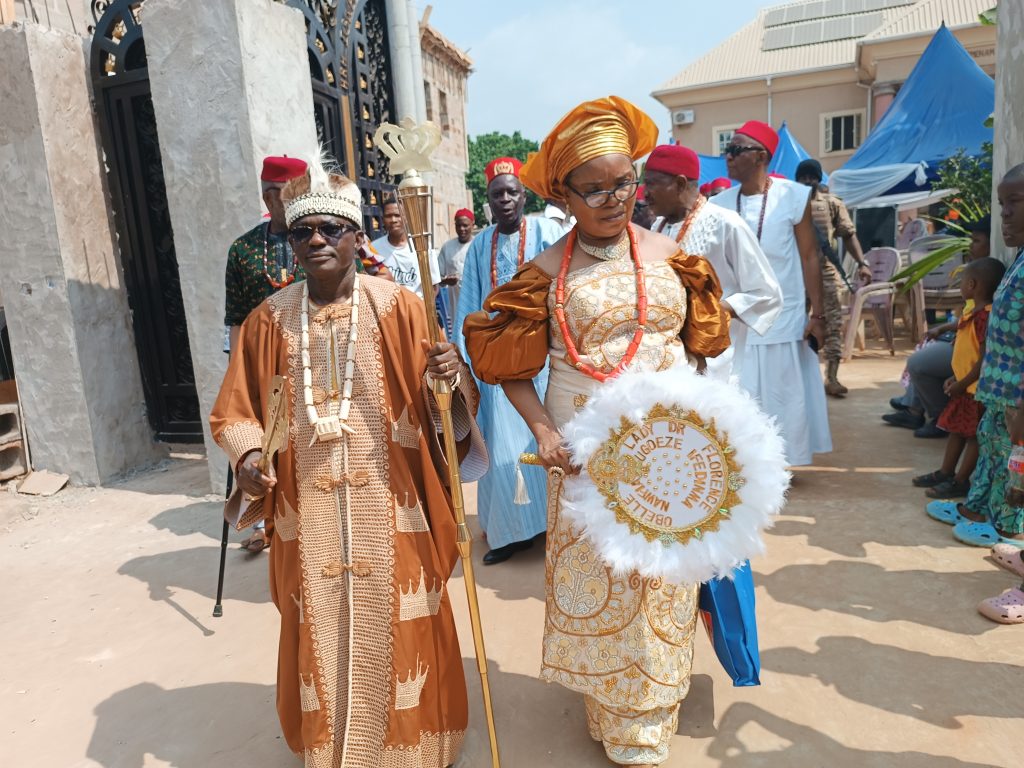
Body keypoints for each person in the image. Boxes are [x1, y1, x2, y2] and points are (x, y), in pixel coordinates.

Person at [465, 95, 731, 767]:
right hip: (584, 452)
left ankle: (652, 708)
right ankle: (608, 701)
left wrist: (694, 418)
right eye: (594, 189)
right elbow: (505, 364)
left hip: (670, 453)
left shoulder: (673, 257)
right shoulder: (546, 274)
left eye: (623, 182)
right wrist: (544, 431)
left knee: (663, 583)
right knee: (605, 578)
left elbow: (702, 343)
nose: (613, 199)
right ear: (565, 195)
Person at [210, 155, 486, 766]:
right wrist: (250, 455)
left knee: (404, 614)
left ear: (357, 237)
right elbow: (234, 411)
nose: (316, 240)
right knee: (319, 623)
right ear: (289, 239)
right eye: (303, 230)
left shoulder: (399, 307)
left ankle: (410, 749)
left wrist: (450, 379)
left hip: (393, 504)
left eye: (331, 228)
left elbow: (447, 406)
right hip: (305, 510)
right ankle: (331, 746)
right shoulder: (266, 322)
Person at [452, 157, 564, 564]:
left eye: (511, 192)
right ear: (488, 200)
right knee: (502, 450)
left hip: (544, 358)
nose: (504, 199)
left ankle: (554, 528)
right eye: (496, 194)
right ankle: (511, 533)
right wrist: (465, 358)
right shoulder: (481, 243)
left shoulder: (548, 232)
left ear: (523, 195)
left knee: (548, 441)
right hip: (498, 364)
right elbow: (469, 301)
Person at [712, 121, 832, 467]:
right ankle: (742, 462)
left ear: (761, 156)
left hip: (783, 314)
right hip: (736, 316)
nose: (728, 158)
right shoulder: (718, 204)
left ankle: (780, 463)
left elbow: (810, 256)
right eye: (727, 150)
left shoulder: (793, 196)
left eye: (735, 150)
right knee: (739, 391)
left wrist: (818, 316)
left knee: (782, 395)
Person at [926, 164, 1024, 553]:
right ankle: (976, 507)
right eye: (1003, 205)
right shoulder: (1018, 259)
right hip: (997, 384)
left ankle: (1007, 528)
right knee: (990, 444)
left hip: (1016, 390)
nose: (1006, 214)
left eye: (1015, 203)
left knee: (1012, 460)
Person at [224, 154, 308, 554]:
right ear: (270, 196)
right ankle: (263, 518)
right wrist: (235, 374)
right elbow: (237, 319)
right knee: (261, 442)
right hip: (262, 366)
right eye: (290, 195)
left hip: (312, 358)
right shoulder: (242, 251)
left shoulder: (316, 237)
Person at [644, 143, 782, 378]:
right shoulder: (658, 227)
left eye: (652, 184)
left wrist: (711, 311)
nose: (645, 194)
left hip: (715, 356)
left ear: (679, 184)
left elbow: (766, 292)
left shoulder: (726, 223)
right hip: (668, 353)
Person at [885, 218, 992, 438]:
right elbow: (967, 318)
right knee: (925, 349)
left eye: (977, 241)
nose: (971, 245)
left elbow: (976, 326)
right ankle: (913, 407)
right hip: (959, 337)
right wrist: (945, 328)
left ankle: (938, 417)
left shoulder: (987, 278)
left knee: (919, 362)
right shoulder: (977, 272)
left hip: (966, 347)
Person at [912, 258, 1004, 498]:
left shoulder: (986, 317)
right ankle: (946, 472)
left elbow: (984, 360)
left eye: (962, 282)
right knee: (956, 430)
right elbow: (967, 350)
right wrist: (956, 376)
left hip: (976, 391)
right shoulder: (972, 311)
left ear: (972, 284)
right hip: (965, 387)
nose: (960, 286)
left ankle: (961, 480)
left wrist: (962, 383)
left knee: (972, 436)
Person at [796, 158, 872, 397]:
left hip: (826, 273)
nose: (808, 181)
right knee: (795, 325)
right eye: (804, 177)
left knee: (832, 326)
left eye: (812, 177)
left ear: (819, 179)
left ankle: (832, 377)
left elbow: (849, 235)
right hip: (795, 275)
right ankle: (800, 376)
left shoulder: (831, 204)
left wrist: (862, 263)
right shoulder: (788, 203)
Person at [371, 197, 441, 300]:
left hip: (417, 310)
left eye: (397, 215)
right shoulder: (374, 248)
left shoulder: (423, 246)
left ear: (406, 218)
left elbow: (433, 287)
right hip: (388, 311)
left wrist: (421, 310)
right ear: (382, 220)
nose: (393, 220)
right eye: (388, 216)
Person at [437, 208, 475, 334]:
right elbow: (438, 278)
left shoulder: (478, 244)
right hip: (456, 303)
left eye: (465, 225)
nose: (462, 229)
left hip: (477, 299)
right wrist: (446, 280)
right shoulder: (447, 247)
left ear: (472, 224)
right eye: (458, 225)